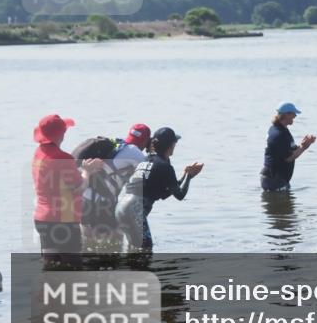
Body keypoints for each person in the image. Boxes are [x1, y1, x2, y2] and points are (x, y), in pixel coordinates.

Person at [31, 114, 104, 269]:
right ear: (61, 134)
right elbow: (79, 188)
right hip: (63, 221)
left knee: (50, 266)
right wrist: (87, 172)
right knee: (74, 268)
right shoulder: (63, 158)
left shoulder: (38, 153)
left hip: (42, 219)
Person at [115, 127, 203, 253]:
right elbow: (179, 195)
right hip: (135, 210)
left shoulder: (145, 160)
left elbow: (166, 191)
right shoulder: (165, 167)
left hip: (121, 207)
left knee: (131, 248)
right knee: (146, 249)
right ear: (171, 146)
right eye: (175, 144)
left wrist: (184, 175)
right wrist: (189, 177)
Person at [79, 124, 151, 252]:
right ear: (146, 142)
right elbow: (152, 171)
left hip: (84, 199)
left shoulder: (115, 144)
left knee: (88, 243)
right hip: (103, 203)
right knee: (116, 241)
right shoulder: (134, 151)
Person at [261, 102, 317, 191]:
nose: (295, 116)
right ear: (286, 115)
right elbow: (289, 158)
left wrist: (302, 145)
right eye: (293, 114)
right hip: (274, 180)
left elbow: (290, 150)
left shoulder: (280, 129)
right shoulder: (279, 134)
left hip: (275, 179)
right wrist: (304, 147)